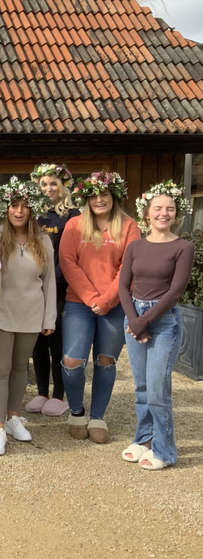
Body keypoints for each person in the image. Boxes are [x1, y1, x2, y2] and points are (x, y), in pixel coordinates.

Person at [59, 172, 140, 444]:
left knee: (106, 361)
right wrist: (92, 297)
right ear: (86, 199)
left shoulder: (129, 226)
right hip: (79, 302)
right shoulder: (74, 225)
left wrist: (107, 299)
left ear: (114, 196)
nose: (99, 200)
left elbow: (129, 267)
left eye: (104, 194)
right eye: (93, 196)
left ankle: (97, 417)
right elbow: (67, 262)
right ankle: (76, 412)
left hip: (115, 304)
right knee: (72, 361)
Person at [119, 182, 193, 470]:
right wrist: (134, 320)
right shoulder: (135, 246)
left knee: (158, 390)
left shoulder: (183, 247)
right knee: (141, 387)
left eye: (170, 209)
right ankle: (144, 440)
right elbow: (124, 286)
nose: (164, 213)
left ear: (176, 214)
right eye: (158, 208)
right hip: (134, 317)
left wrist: (143, 321)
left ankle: (164, 451)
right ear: (147, 213)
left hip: (163, 321)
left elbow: (175, 292)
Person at [0, 178, 56, 455]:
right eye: (14, 205)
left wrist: (49, 319)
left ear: (33, 209)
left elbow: (49, 282)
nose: (19, 211)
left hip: (31, 315)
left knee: (21, 367)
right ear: (6, 208)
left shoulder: (44, 240)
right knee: (0, 369)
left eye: (25, 206)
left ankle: (13, 417)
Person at [25, 164, 80, 417]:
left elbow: (68, 254)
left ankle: (59, 394)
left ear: (63, 186)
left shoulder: (72, 215)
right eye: (44, 184)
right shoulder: (34, 214)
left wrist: (51, 279)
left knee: (56, 340)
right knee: (37, 340)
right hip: (34, 286)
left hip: (58, 286)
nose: (48, 189)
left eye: (53, 184)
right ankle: (42, 392)